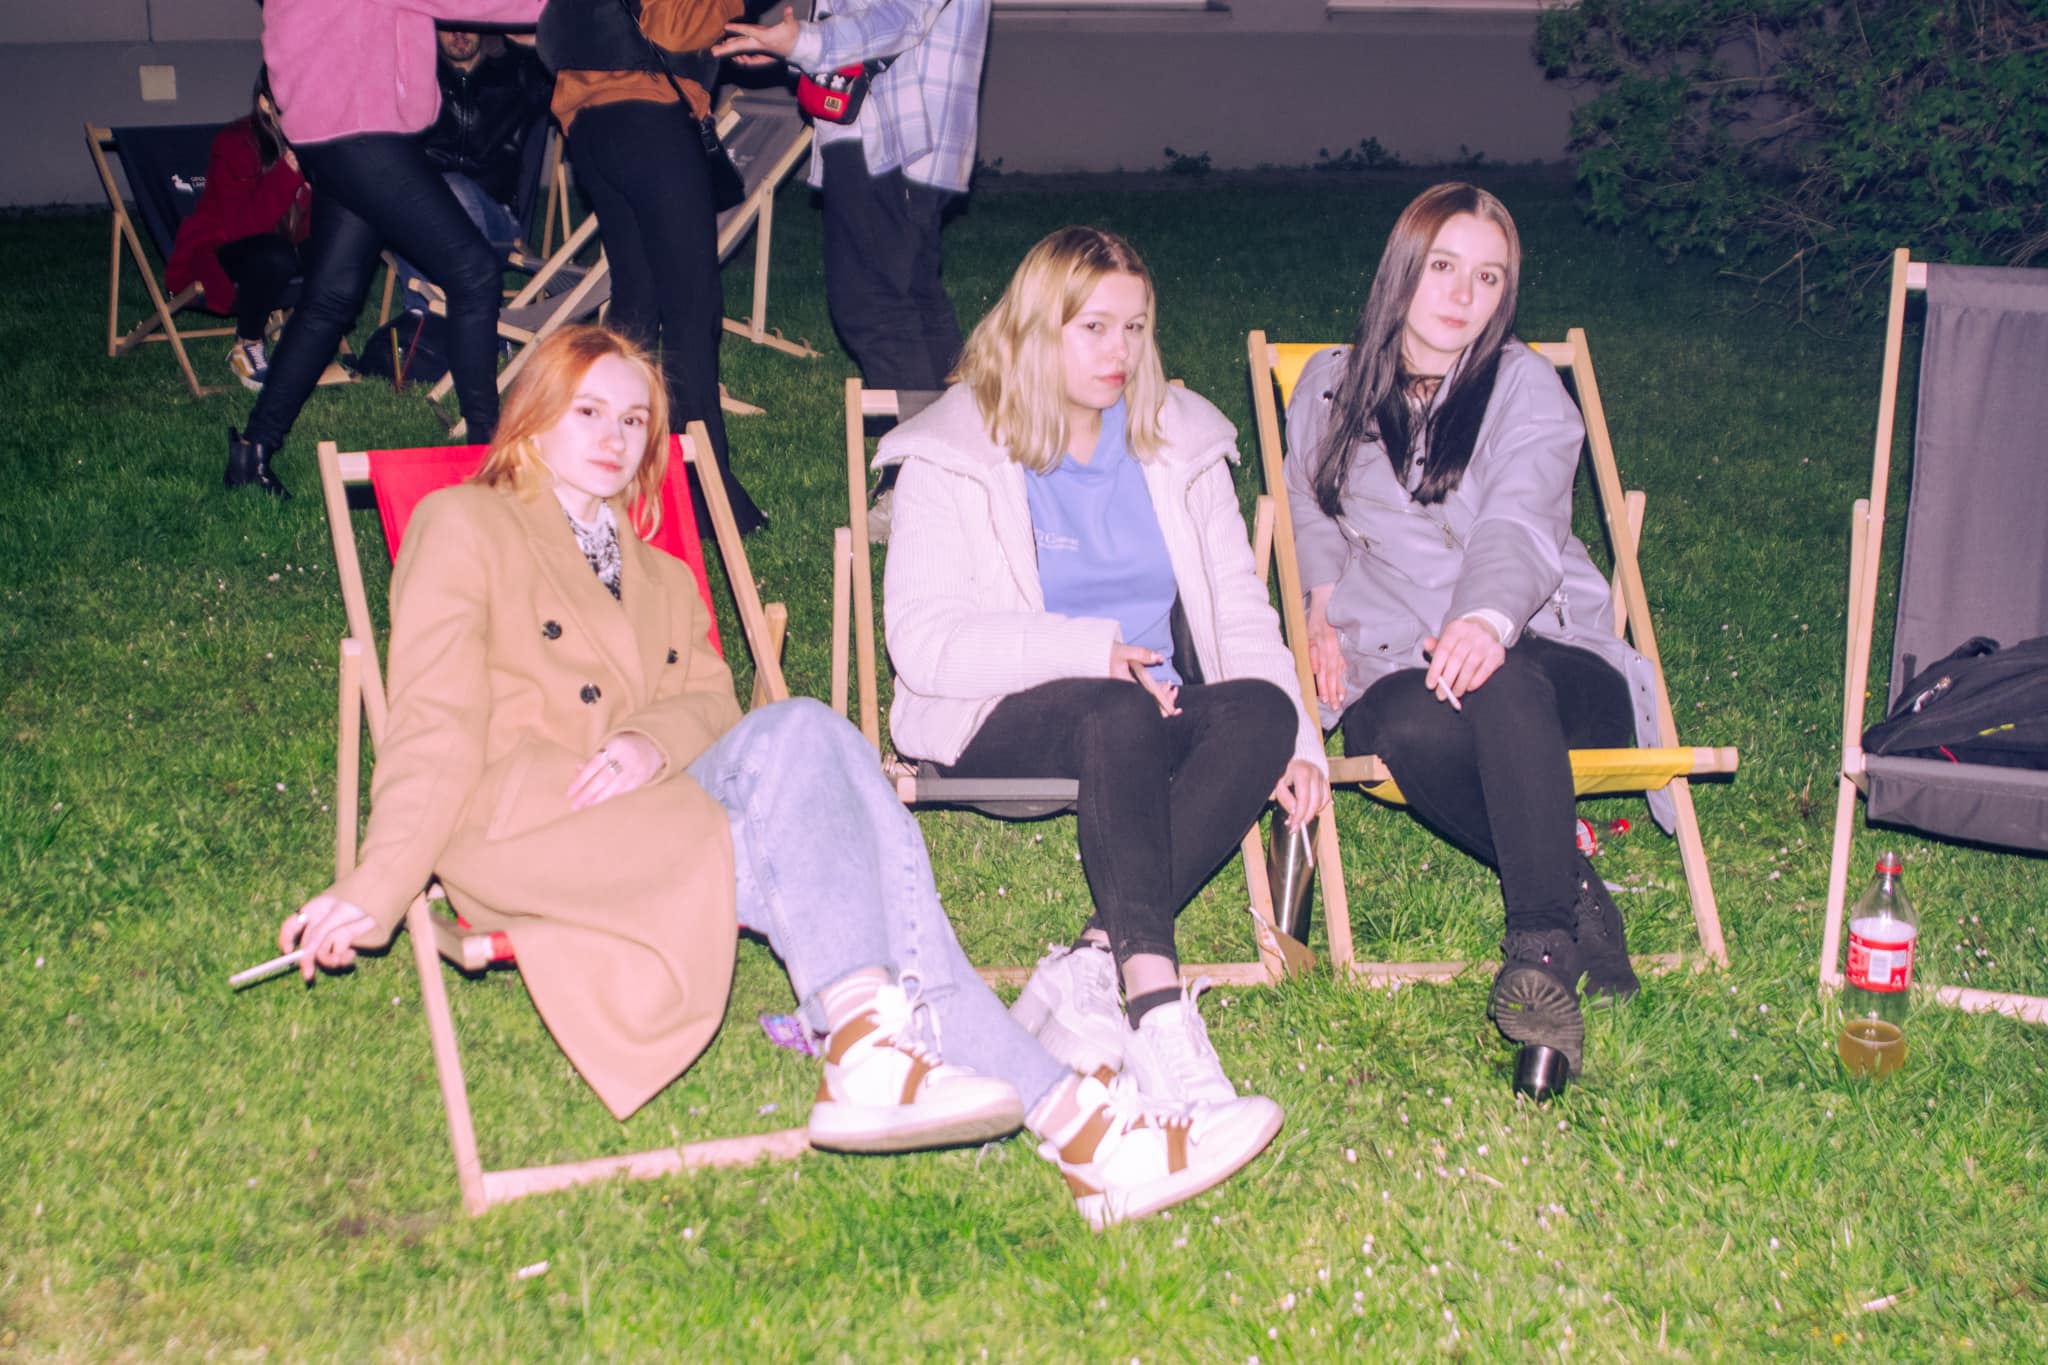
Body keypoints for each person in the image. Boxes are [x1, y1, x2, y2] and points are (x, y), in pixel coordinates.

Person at [280, 324, 1283, 1229]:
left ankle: (983, 1091)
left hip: (656, 807)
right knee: (845, 834)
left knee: (812, 736)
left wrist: (649, 742)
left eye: (634, 420)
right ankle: (1062, 1124)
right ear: (533, 418)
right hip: (533, 824)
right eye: (588, 412)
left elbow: (712, 704)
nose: (616, 437)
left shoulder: (663, 573)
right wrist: (375, 886)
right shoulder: (465, 524)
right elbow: (434, 725)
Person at [877, 227, 1330, 1111]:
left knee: (1264, 714)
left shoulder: (1177, 441)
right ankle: (1158, 1010)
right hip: (996, 710)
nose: (1118, 350)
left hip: (1149, 709)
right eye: (1092, 327)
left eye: (1134, 327)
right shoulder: (955, 450)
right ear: (1035, 328)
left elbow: (1240, 610)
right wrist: (1088, 650)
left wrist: (1301, 741)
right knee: (1115, 709)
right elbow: (924, 642)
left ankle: (1089, 960)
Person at [1284, 182, 1662, 1096]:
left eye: (1487, 277)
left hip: (1552, 655)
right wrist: (1321, 606)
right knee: (1393, 729)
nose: (1462, 294)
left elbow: (1521, 519)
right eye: (1444, 266)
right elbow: (1308, 498)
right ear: (1402, 269)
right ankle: (1576, 891)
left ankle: (1540, 948)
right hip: (1403, 657)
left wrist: (1486, 619)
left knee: (1499, 676)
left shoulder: (1525, 387)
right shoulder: (1329, 384)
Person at [228, 0, 548, 499]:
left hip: (326, 132)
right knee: (475, 274)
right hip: (362, 132)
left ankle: (252, 452)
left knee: (329, 300)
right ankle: (488, 460)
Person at [537, 0, 768, 537]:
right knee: (692, 310)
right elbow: (674, 25)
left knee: (637, 298)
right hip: (649, 118)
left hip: (590, 123)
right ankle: (705, 497)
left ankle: (601, 474)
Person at [714, 0, 989, 393]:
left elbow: (899, 18)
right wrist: (791, 51)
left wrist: (804, 42)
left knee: (874, 306)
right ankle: (957, 428)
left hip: (891, 135)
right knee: (911, 295)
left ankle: (914, 433)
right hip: (895, 134)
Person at [166, 70, 311, 393]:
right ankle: (247, 344)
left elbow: (311, 226)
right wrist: (288, 173)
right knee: (275, 254)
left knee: (339, 243)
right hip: (225, 248)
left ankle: (310, 337)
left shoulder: (311, 140)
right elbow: (242, 228)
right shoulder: (234, 143)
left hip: (284, 244)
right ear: (265, 103)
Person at [392, 27, 555, 313]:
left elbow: (560, 78)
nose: (458, 32)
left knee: (453, 188)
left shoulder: (515, 75)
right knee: (412, 201)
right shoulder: (419, 81)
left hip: (497, 222)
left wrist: (529, 42)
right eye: (448, 25)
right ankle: (424, 320)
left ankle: (449, 313)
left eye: (466, 23)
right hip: (425, 213)